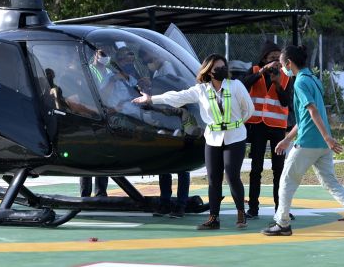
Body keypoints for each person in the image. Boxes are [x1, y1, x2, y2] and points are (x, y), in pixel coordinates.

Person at [262, 45, 344, 237]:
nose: (282, 69)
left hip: (308, 142)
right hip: (320, 144)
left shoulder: (299, 83)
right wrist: (288, 139)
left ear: (289, 63)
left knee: (287, 181)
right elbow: (306, 117)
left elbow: (313, 111)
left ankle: (282, 223)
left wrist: (327, 137)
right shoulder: (313, 79)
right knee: (330, 182)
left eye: (282, 65)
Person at [133, 53, 254, 230]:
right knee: (213, 179)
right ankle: (214, 218)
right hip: (213, 139)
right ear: (208, 71)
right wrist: (151, 99)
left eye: (223, 67)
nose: (221, 70)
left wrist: (234, 125)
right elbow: (176, 97)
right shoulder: (201, 90)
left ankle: (241, 213)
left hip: (235, 137)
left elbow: (248, 109)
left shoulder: (236, 86)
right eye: (216, 68)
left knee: (232, 176)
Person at [240, 41, 292, 219]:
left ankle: (281, 208)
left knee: (279, 169)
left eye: (279, 58)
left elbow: (286, 102)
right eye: (272, 59)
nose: (276, 62)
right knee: (256, 169)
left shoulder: (285, 75)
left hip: (277, 127)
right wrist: (262, 72)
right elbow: (243, 85)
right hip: (258, 126)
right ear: (264, 59)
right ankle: (253, 208)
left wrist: (277, 84)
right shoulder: (254, 70)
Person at [80, 48, 110, 198]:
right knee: (88, 155)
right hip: (90, 115)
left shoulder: (109, 72)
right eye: (102, 54)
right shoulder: (89, 70)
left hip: (105, 116)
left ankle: (101, 192)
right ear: (95, 55)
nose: (105, 57)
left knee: (103, 155)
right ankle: (85, 193)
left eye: (107, 55)